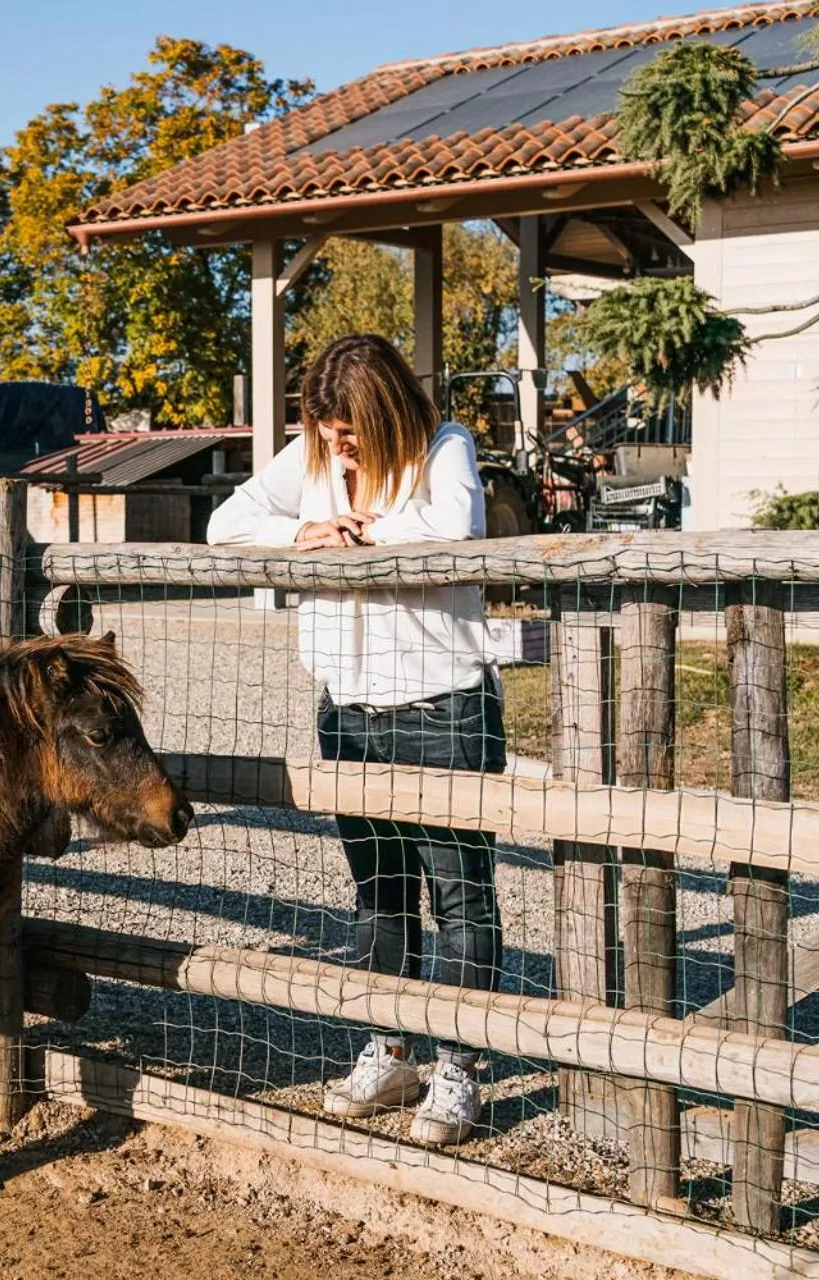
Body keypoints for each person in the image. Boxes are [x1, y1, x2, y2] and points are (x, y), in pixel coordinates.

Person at [206, 333, 505, 1147]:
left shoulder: (444, 448)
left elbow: (455, 529)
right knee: (380, 891)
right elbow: (227, 523)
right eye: (328, 432)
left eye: (351, 432)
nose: (339, 447)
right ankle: (391, 1048)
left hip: (442, 705)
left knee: (460, 892)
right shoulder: (311, 460)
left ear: (386, 413)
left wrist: (368, 532)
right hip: (349, 709)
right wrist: (303, 534)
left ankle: (459, 1064)